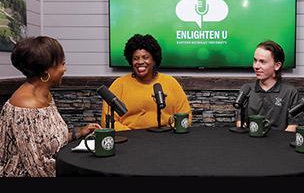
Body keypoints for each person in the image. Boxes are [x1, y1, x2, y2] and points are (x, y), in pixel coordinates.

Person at [0, 36, 101, 177]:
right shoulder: (26, 107)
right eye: (62, 64)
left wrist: (77, 133)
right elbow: (37, 168)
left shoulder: (44, 95)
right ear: (46, 71)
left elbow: (47, 141)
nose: (65, 69)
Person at [101, 34, 192, 130]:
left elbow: (186, 116)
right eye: (136, 58)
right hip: (131, 139)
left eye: (145, 57)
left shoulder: (171, 83)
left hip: (166, 137)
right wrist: (133, 136)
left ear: (154, 60)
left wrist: (172, 128)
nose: (140, 62)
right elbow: (107, 121)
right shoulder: (119, 85)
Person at [238, 40, 299, 132]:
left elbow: (292, 127)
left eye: (262, 62)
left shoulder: (290, 92)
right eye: (255, 60)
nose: (256, 66)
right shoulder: (246, 89)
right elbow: (240, 123)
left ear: (277, 65)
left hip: (278, 144)